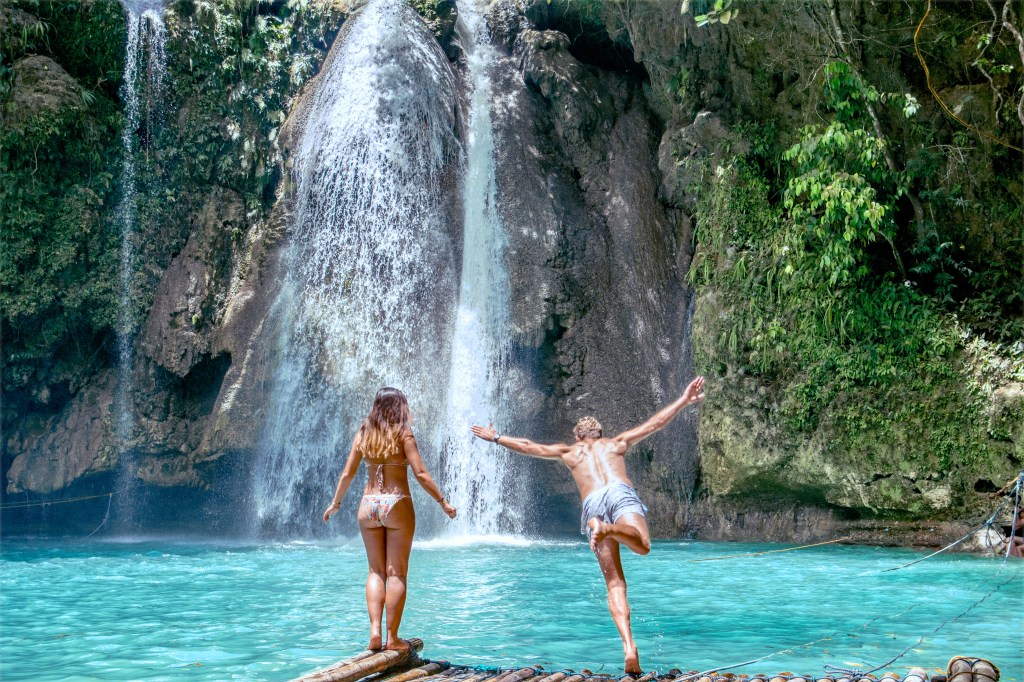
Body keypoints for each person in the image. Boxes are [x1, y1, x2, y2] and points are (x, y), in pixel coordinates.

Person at [471, 376, 706, 674]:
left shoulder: (569, 452)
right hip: (619, 491)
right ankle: (609, 529)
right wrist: (684, 399)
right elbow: (654, 424)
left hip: (592, 503)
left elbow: (529, 446)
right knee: (643, 546)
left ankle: (628, 646)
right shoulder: (616, 444)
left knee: (615, 584)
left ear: (578, 437)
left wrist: (496, 437)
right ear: (600, 434)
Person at [324, 387, 457, 651]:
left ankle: (374, 633)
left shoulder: (364, 433)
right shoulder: (403, 433)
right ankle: (392, 639)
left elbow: (347, 475)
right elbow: (420, 473)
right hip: (396, 503)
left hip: (368, 504)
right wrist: (442, 502)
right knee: (396, 573)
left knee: (375, 571)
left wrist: (335, 503)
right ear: (400, 408)